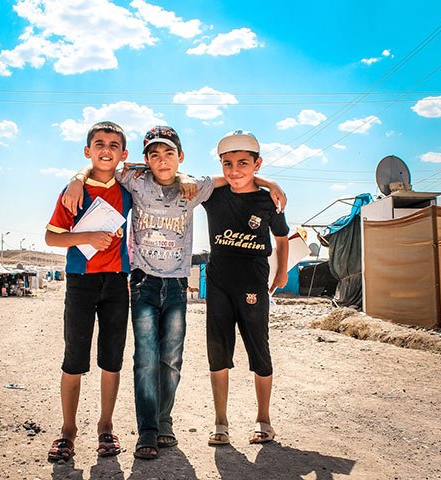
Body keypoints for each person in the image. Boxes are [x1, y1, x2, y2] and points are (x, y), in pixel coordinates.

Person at [63, 125, 287, 459]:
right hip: (143, 282)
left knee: (171, 359)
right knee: (145, 358)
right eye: (154, 154)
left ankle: (164, 421)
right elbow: (104, 166)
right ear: (146, 160)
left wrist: (270, 183)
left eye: (169, 153)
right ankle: (147, 431)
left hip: (178, 284)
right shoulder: (134, 180)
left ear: (180, 157)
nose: (162, 160)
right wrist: (77, 178)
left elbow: (236, 178)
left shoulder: (194, 186)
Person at [44, 121, 133, 462]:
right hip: (80, 281)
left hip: (117, 282)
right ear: (87, 151)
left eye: (113, 145)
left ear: (122, 154)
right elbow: (51, 237)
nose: (106, 150)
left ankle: (105, 426)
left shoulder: (127, 191)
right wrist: (87, 237)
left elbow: (154, 168)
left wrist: (78, 174)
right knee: (74, 359)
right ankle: (68, 430)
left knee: (112, 359)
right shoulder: (73, 193)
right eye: (99, 144)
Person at [202, 130, 290, 447]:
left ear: (257, 163)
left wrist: (282, 272)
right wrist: (267, 180)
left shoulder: (268, 201)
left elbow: (281, 238)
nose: (235, 170)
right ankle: (220, 422)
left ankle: (264, 420)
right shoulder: (213, 196)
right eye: (227, 163)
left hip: (253, 282)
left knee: (259, 351)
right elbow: (195, 182)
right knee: (218, 353)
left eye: (243, 163)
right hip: (218, 282)